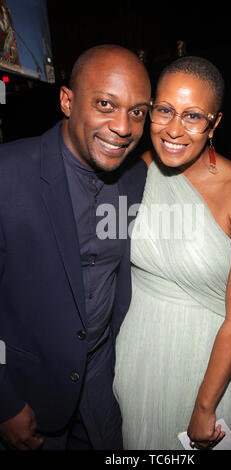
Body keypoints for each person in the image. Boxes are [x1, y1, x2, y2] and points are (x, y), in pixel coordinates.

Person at [113, 56, 231, 450]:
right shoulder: (134, 172)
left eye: (193, 116)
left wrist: (205, 406)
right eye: (164, 111)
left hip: (208, 364)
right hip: (139, 354)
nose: (174, 129)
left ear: (214, 124)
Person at [0, 44, 151, 450]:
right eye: (105, 104)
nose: (123, 127)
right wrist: (5, 401)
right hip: (27, 398)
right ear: (67, 100)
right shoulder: (8, 173)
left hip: (104, 393)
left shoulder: (136, 179)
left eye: (137, 111)